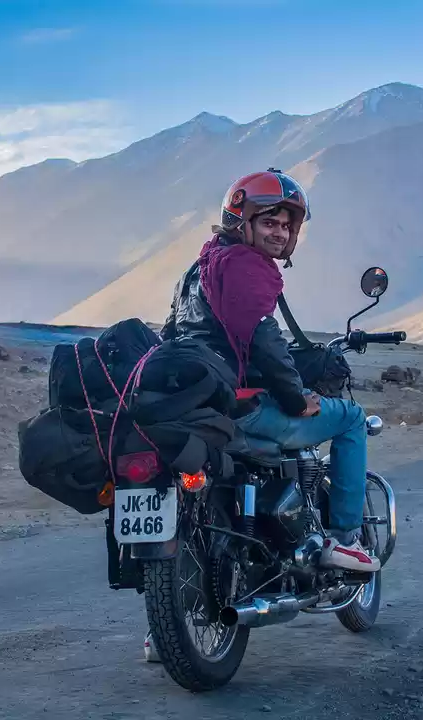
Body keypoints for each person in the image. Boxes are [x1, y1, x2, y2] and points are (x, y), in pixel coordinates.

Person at [159, 168, 379, 573]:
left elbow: (171, 336)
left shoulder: (198, 269)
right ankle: (344, 541)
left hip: (202, 403)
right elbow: (264, 338)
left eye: (285, 224)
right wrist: (298, 400)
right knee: (350, 419)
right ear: (243, 222)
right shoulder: (245, 265)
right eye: (269, 222)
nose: (279, 232)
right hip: (241, 407)